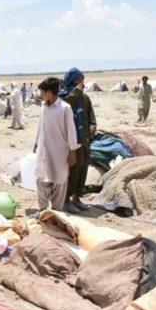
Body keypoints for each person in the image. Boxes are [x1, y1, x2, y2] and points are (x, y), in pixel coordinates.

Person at [33, 77, 80, 212]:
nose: (40, 95)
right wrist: (36, 143)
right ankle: (42, 210)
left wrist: (73, 152)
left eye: (42, 92)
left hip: (59, 151)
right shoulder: (43, 107)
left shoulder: (65, 108)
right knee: (41, 178)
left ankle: (57, 211)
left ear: (49, 92)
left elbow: (71, 131)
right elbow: (40, 126)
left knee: (59, 180)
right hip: (44, 150)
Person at [59, 68, 97, 214]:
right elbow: (65, 106)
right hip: (70, 142)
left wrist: (90, 134)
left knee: (82, 169)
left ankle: (77, 197)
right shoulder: (64, 96)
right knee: (72, 171)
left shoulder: (85, 98)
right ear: (70, 80)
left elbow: (92, 118)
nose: (81, 83)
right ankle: (65, 200)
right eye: (77, 80)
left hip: (84, 140)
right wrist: (75, 92)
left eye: (82, 79)